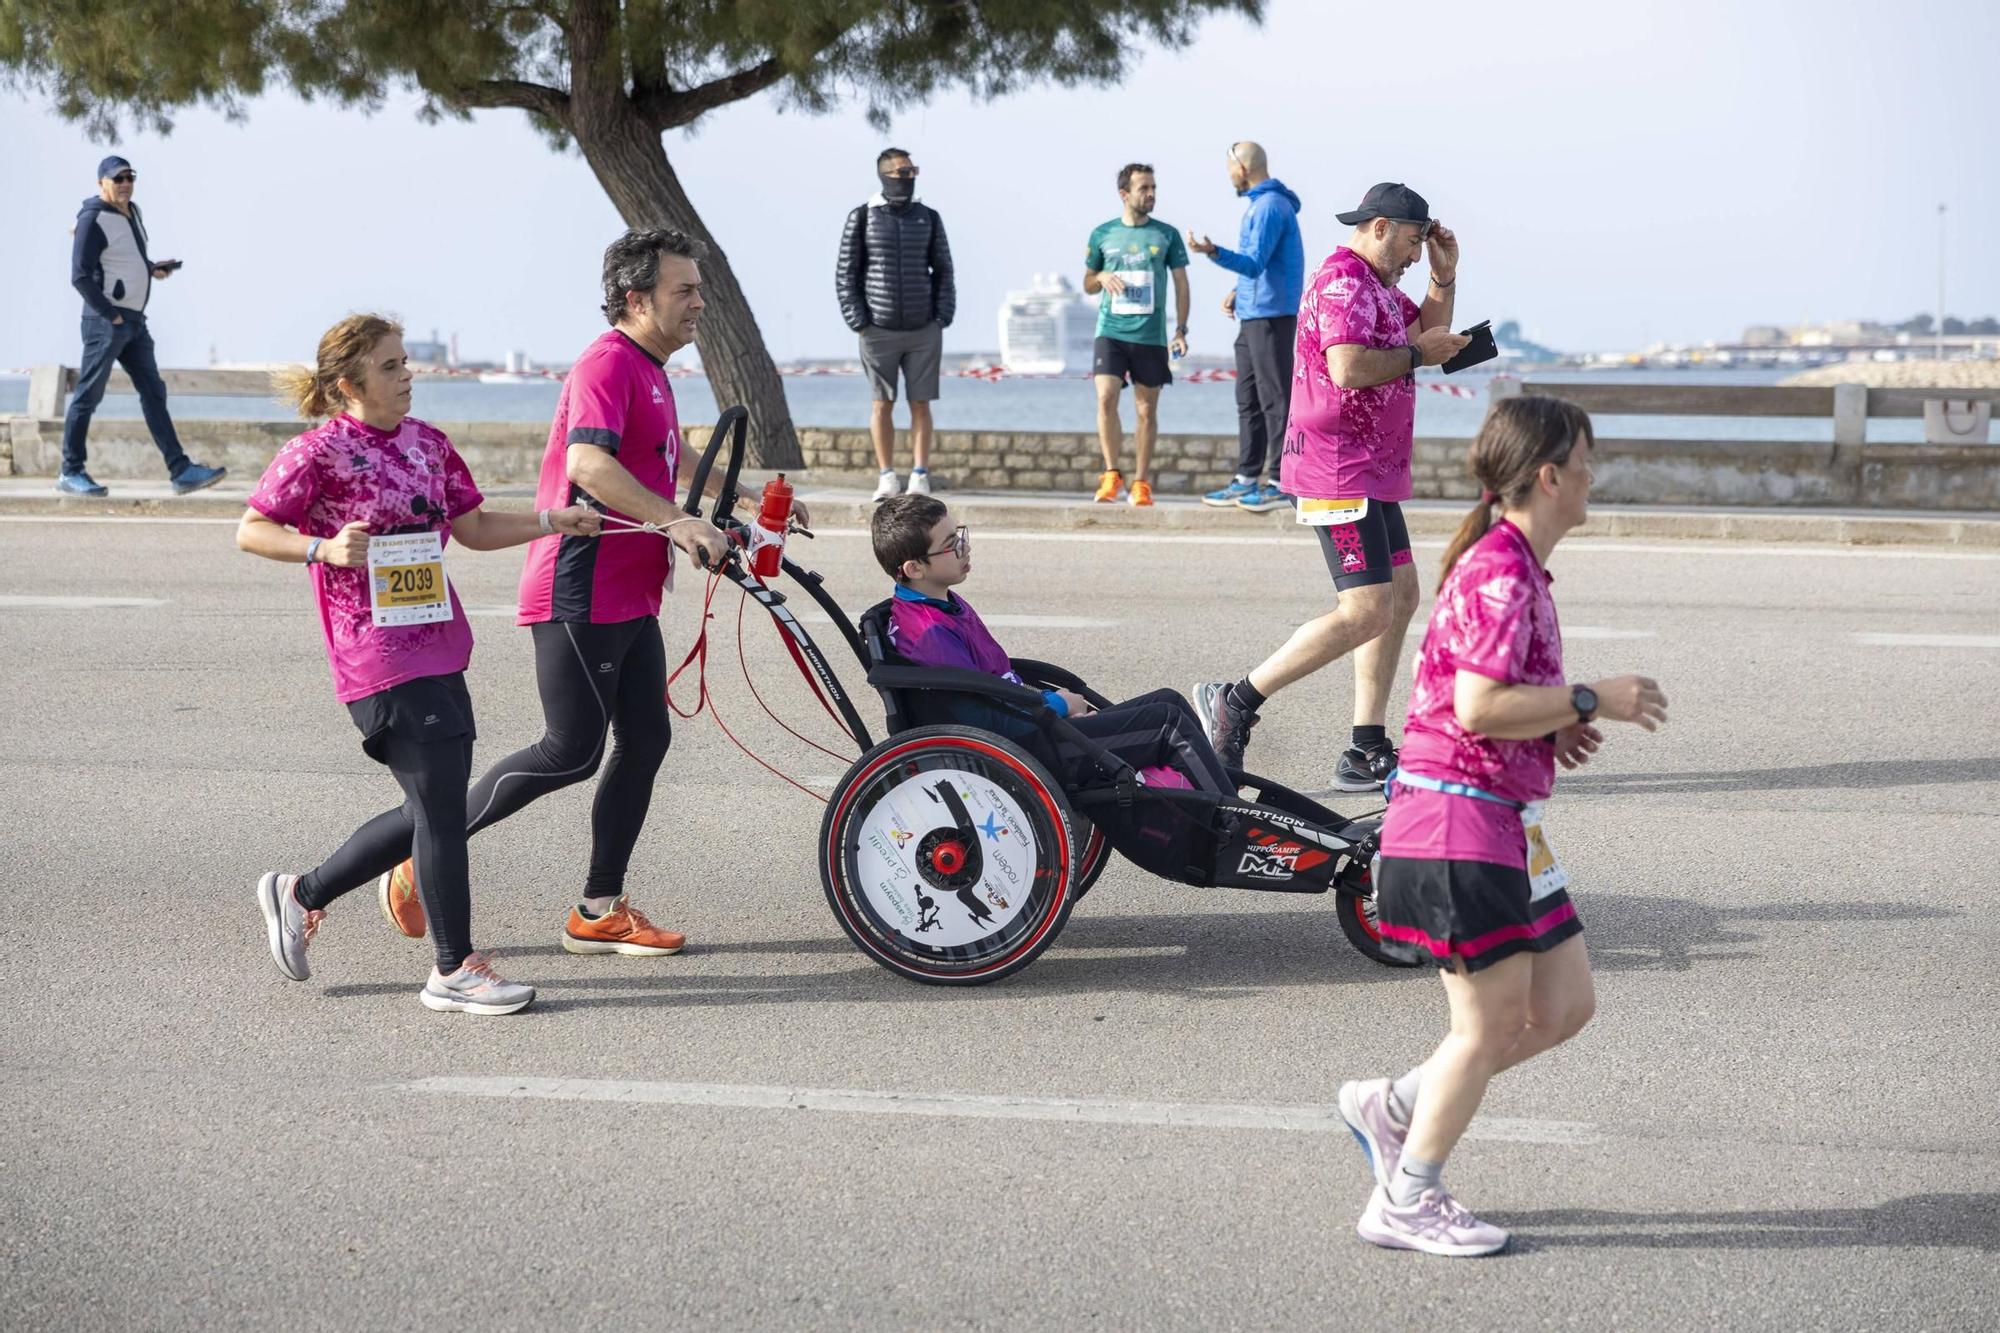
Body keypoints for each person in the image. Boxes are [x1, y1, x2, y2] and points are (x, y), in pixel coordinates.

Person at [376, 228, 808, 956]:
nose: (701, 301)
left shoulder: (651, 368)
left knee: (645, 738)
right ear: (637, 300)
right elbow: (589, 464)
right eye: (686, 290)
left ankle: (598, 906)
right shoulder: (606, 363)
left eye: (699, 288)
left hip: (630, 588)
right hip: (582, 585)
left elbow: (670, 457)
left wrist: (741, 500)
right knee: (568, 750)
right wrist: (676, 521)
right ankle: (421, 848)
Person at [1332, 395, 1669, 1256]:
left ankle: (1397, 1104)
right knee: (1485, 1027)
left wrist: (1552, 720)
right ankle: (1408, 1196)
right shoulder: (1501, 569)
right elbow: (1479, 706)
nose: (1594, 475)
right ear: (1549, 474)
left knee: (1562, 1006)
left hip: (1508, 823)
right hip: (1455, 823)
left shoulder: (1518, 564)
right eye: (1586, 460)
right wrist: (1594, 696)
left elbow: (1480, 699)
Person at [239, 314, 601, 1015]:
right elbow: (251, 529)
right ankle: (453, 967)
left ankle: (300, 892)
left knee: (431, 805)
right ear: (349, 384)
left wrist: (553, 521)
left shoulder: (428, 444)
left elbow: (471, 526)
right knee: (437, 801)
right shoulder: (318, 453)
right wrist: (322, 549)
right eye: (390, 366)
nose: (407, 375)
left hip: (438, 641)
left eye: (406, 362)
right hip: (372, 649)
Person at [1195, 182, 1469, 791]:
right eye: (1413, 241)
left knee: (1398, 598)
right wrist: (1417, 356)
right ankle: (1235, 702)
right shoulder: (1344, 282)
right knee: (1366, 609)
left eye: (1424, 244)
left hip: (1371, 469)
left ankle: (1365, 749)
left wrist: (1444, 280)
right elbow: (1348, 367)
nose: (1417, 254)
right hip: (1335, 468)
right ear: (1379, 227)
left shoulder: (1380, 287)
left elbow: (1430, 335)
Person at [871, 494, 1232, 794]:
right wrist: (1056, 705)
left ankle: (1212, 791)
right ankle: (1230, 822)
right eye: (951, 546)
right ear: (914, 568)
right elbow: (984, 718)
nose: (964, 548)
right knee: (1166, 722)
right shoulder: (929, 633)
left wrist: (1053, 706)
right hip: (1024, 747)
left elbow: (992, 684)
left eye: (960, 535)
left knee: (1167, 700)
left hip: (1032, 725)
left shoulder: (939, 604)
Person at [58, 155, 226, 498]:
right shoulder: (92, 218)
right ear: (101, 183)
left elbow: (121, 261)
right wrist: (110, 314)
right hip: (107, 322)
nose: (124, 183)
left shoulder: (132, 213)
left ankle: (181, 471)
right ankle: (70, 471)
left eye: (129, 177)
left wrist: (151, 269)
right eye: (117, 178)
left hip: (134, 322)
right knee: (88, 395)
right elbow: (79, 276)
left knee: (154, 393)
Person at [1188, 141, 1303, 514]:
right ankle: (1247, 478)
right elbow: (1261, 266)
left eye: (1228, 169)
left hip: (1271, 315)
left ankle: (1281, 482)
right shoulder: (1260, 204)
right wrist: (1239, 291)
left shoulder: (1270, 207)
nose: (1228, 176)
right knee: (1248, 398)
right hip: (1253, 313)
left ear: (1243, 168)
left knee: (1275, 399)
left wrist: (1213, 252)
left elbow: (1254, 263)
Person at [837, 147, 956, 502]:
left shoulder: (929, 218)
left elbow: (944, 270)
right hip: (877, 329)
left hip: (923, 329)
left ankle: (920, 474)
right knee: (881, 404)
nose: (910, 177)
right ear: (885, 175)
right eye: (903, 172)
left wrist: (941, 317)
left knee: (921, 403)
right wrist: (860, 322)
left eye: (913, 171)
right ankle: (887, 476)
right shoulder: (862, 217)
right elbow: (846, 274)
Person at [1084, 164, 1190, 508]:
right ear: (1124, 194)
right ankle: (1111, 474)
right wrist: (1101, 276)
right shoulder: (1103, 234)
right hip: (1111, 331)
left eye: (1154, 188)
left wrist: (1180, 329)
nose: (1151, 194)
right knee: (1106, 396)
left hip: (1150, 335)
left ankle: (1141, 482)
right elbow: (1087, 283)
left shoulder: (1166, 235)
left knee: (1146, 409)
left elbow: (1181, 283)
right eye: (1144, 188)